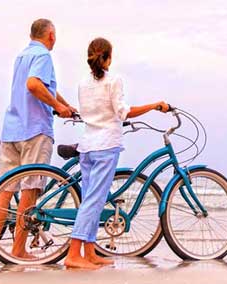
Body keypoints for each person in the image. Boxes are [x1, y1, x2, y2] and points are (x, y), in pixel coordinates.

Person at [63, 37, 171, 269]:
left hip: (88, 146)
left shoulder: (83, 83)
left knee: (92, 199)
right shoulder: (114, 81)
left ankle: (89, 252)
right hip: (106, 145)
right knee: (94, 200)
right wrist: (154, 106)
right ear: (109, 57)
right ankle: (73, 254)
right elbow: (123, 112)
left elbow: (90, 112)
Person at [0, 18, 77, 262]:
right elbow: (34, 84)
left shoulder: (22, 56)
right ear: (51, 35)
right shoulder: (44, 57)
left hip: (11, 129)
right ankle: (17, 250)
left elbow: (42, 86)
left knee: (4, 191)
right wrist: (56, 105)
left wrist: (65, 106)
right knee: (30, 189)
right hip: (34, 130)